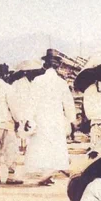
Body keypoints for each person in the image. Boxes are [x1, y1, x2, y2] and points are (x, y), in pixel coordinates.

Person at [24, 49, 76, 185]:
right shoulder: (61, 82)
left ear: (45, 65)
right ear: (58, 66)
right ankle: (49, 175)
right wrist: (71, 120)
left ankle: (46, 174)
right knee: (55, 146)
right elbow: (68, 103)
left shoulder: (37, 81)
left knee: (42, 146)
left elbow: (31, 101)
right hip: (56, 118)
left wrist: (28, 118)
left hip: (40, 117)